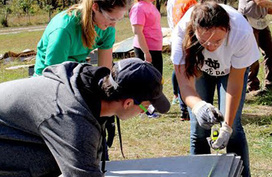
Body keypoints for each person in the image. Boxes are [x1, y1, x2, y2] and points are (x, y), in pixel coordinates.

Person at [0, 58, 170, 177]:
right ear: (127, 103)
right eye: (145, 107)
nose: (143, 112)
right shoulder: (73, 121)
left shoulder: (89, 86)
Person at [171, 0, 260, 177]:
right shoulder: (181, 33)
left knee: (233, 126)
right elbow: (184, 85)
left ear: (227, 30)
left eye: (217, 41)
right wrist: (199, 106)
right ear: (195, 31)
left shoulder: (241, 32)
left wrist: (226, 127)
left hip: (230, 70)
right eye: (204, 42)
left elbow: (235, 84)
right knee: (199, 127)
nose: (211, 47)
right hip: (200, 70)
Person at [34, 0, 128, 75]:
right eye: (111, 19)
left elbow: (105, 72)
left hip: (75, 74)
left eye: (118, 20)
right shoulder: (64, 29)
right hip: (47, 78)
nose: (113, 25)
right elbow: (53, 74)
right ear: (95, 7)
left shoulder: (107, 28)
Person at [129, 0, 163, 118]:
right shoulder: (138, 7)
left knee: (156, 79)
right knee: (147, 81)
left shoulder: (150, 6)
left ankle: (150, 107)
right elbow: (137, 31)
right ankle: (145, 109)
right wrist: (146, 52)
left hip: (156, 48)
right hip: (147, 49)